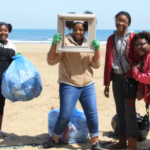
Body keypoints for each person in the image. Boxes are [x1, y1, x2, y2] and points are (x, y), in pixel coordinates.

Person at [39, 17, 102, 150]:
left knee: (92, 113)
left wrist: (97, 49)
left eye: (81, 29)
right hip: (69, 83)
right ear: (71, 30)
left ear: (85, 30)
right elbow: (51, 61)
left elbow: (95, 65)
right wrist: (54, 44)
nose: (78, 32)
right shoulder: (64, 41)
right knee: (65, 115)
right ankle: (54, 140)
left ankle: (95, 143)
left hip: (87, 84)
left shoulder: (89, 42)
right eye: (75, 29)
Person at [103, 11, 142, 150]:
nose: (121, 23)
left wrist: (140, 86)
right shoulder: (110, 39)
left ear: (128, 23)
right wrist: (107, 83)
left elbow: (140, 58)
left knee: (130, 112)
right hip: (116, 78)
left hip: (130, 79)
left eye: (124, 21)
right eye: (119, 20)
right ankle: (121, 141)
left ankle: (132, 145)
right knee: (120, 111)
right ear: (115, 21)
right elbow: (108, 60)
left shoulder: (133, 37)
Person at [0, 22, 16, 138]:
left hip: (3, 83)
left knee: (1, 106)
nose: (3, 33)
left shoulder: (11, 46)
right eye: (1, 30)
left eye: (5, 30)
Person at [132, 31, 150, 105]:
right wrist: (140, 88)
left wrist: (135, 70)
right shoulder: (144, 57)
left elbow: (148, 77)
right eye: (136, 45)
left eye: (141, 44)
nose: (138, 47)